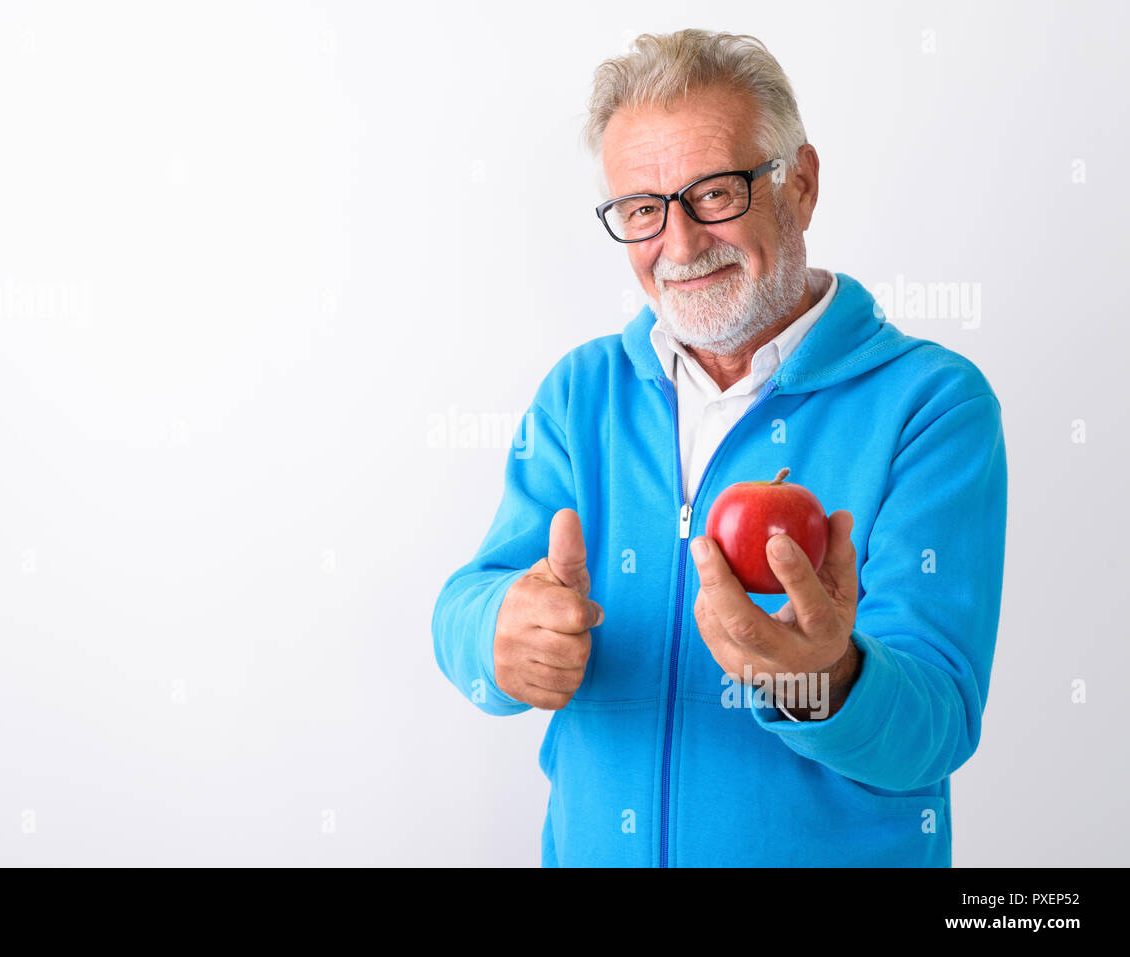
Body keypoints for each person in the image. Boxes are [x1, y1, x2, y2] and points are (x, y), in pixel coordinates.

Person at [431, 28, 1007, 867]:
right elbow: (469, 598)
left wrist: (823, 680)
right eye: (642, 209)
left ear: (800, 186)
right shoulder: (580, 393)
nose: (681, 242)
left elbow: (936, 723)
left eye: (714, 193)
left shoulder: (931, 404)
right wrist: (495, 634)